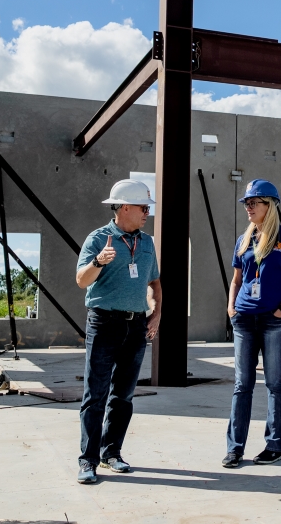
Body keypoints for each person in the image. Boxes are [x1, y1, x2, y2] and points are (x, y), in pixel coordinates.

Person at [74, 179, 162, 485]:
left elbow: (154, 282)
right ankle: (88, 460)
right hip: (104, 323)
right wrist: (99, 262)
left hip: (137, 325)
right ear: (124, 207)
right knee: (95, 394)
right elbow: (82, 281)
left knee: (123, 395)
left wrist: (157, 313)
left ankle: (112, 453)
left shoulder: (147, 243)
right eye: (142, 207)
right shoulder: (98, 239)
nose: (146, 213)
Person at [222, 179, 281, 469]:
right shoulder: (243, 240)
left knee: (274, 382)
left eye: (253, 202)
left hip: (274, 320)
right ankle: (235, 449)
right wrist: (232, 308)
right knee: (242, 384)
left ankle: (275, 446)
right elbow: (236, 280)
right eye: (246, 203)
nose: (248, 207)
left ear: (269, 206)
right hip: (244, 319)